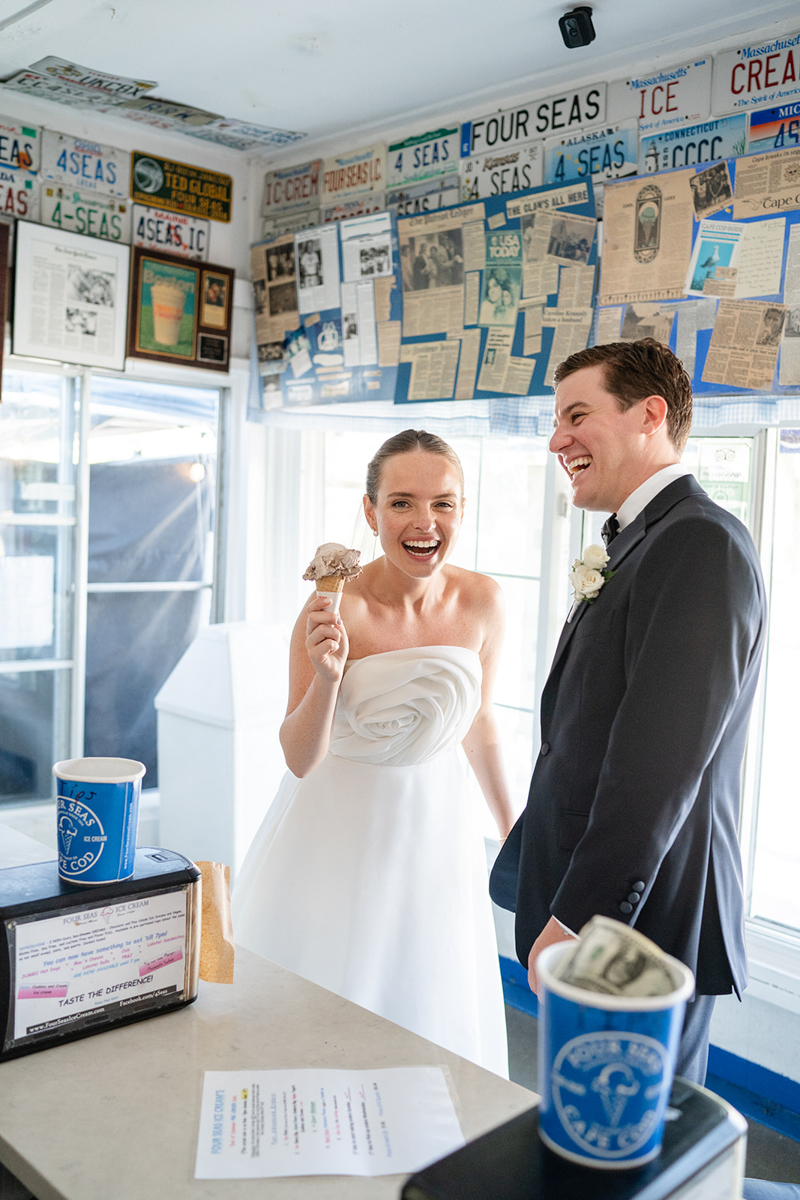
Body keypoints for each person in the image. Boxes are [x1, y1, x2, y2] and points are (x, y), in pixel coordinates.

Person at [490, 338, 767, 1085]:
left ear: (650, 415)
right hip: (604, 904)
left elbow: (656, 771)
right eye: (555, 420)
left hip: (641, 928)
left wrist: (580, 920)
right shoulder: (642, 540)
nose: (557, 439)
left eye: (578, 414)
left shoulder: (700, 544)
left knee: (633, 1158)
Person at [233, 429, 514, 1075]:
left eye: (443, 503)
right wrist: (328, 675)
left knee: (426, 996)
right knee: (324, 1002)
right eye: (401, 503)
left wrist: (513, 832)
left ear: (462, 510)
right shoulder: (334, 604)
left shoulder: (484, 601)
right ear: (370, 512)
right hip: (335, 825)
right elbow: (299, 757)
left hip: (435, 829)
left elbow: (479, 722)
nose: (424, 522)